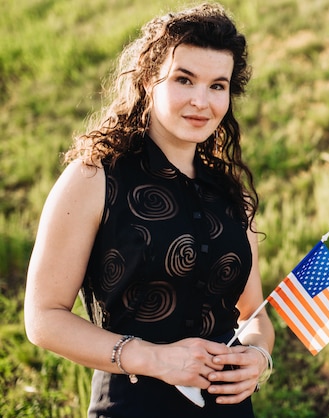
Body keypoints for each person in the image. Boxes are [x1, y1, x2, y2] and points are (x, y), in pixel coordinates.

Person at [23, 3, 274, 417]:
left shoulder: (233, 195)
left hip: (229, 408)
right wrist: (153, 358)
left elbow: (252, 313)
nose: (201, 100)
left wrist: (259, 356)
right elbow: (43, 318)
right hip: (132, 406)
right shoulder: (93, 179)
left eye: (217, 85)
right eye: (184, 79)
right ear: (147, 81)